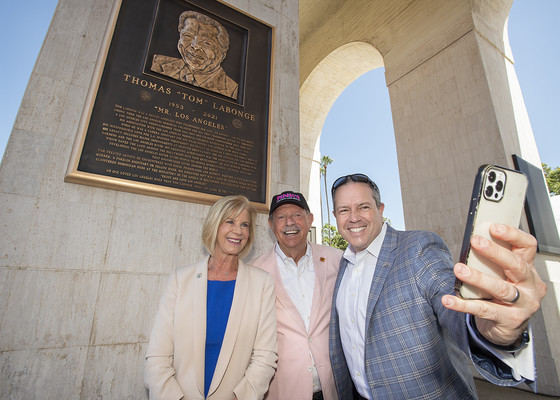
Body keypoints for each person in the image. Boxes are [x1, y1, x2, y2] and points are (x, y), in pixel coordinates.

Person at [328, 173, 547, 399]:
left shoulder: (418, 248)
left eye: (363, 207)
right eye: (344, 210)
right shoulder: (343, 265)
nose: (353, 218)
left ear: (380, 209)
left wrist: (489, 330)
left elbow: (450, 304)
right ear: (336, 215)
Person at [145, 195, 277, 400]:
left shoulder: (262, 283)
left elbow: (265, 356)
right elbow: (158, 356)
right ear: (214, 225)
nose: (238, 230)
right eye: (230, 221)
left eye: (245, 224)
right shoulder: (181, 279)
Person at [252, 191, 342, 400]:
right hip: (284, 391)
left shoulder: (337, 260)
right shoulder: (255, 272)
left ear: (310, 220)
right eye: (281, 217)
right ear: (271, 225)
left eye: (297, 215)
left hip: (334, 388)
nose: (289, 222)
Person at [151, 11, 239, 99]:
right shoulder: (156, 63)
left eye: (206, 43)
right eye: (188, 36)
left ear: (222, 54)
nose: (195, 45)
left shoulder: (233, 90)